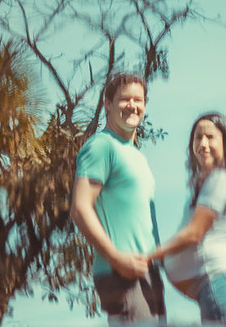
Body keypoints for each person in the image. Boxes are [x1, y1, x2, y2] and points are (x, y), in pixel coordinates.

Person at [71, 70, 166, 322]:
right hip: (122, 275)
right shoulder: (101, 146)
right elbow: (80, 208)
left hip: (149, 275)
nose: (132, 105)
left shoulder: (137, 156)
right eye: (125, 99)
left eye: (138, 100)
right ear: (108, 104)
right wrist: (117, 259)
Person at [153, 112, 226, 326]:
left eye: (210, 137)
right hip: (221, 286)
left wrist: (147, 257)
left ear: (225, 144)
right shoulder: (210, 184)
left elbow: (194, 234)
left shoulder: (220, 179)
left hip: (219, 284)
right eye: (198, 137)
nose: (203, 144)